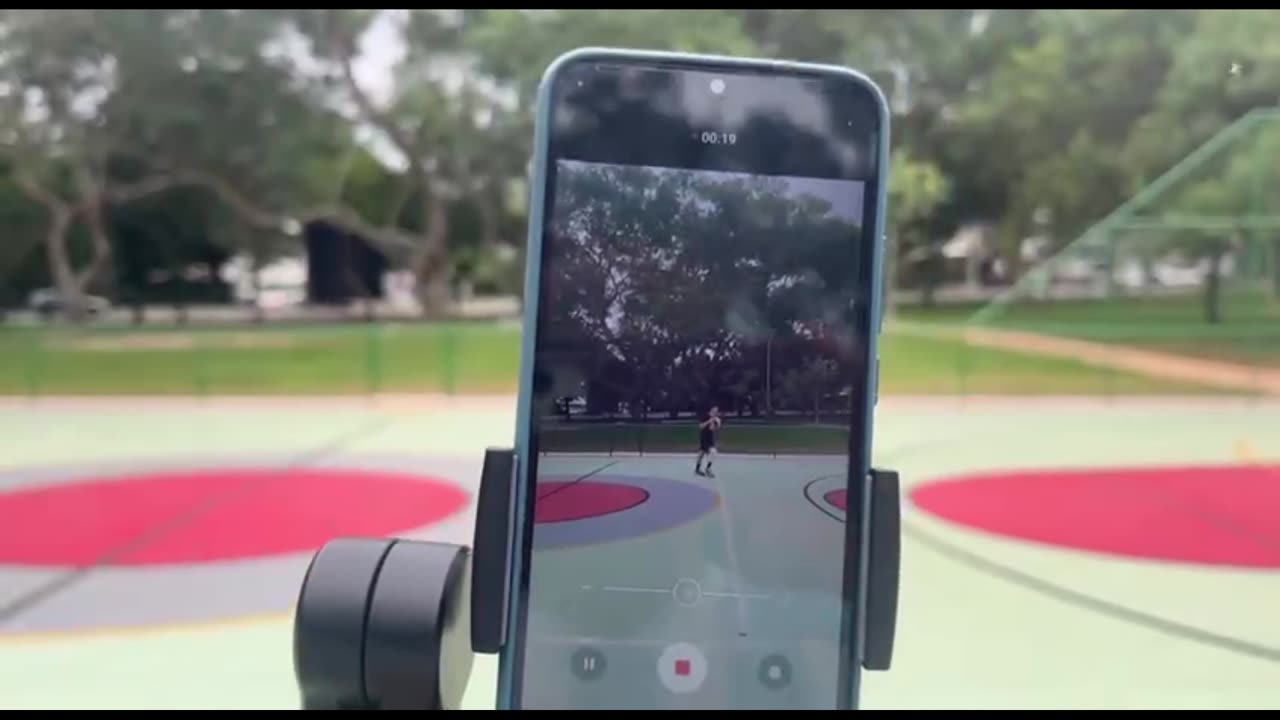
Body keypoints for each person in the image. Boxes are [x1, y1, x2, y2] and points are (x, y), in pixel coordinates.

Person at [695, 406, 721, 478]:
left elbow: (712, 428)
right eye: (714, 411)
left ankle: (708, 468)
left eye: (716, 412)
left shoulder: (716, 420)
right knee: (701, 454)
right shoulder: (705, 416)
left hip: (710, 439)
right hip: (703, 438)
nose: (715, 413)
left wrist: (714, 421)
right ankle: (697, 469)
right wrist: (709, 421)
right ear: (711, 411)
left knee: (713, 452)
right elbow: (701, 426)